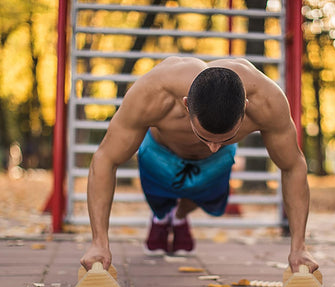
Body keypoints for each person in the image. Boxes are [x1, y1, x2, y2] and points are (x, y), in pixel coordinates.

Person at [80, 57, 318, 274]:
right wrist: (98, 243)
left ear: (245, 106)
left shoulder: (267, 100)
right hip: (161, 154)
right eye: (205, 137)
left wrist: (299, 248)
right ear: (186, 104)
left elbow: (293, 166)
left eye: (224, 138)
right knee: (160, 197)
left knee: (210, 193)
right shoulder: (154, 91)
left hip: (213, 166)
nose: (213, 146)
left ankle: (179, 214)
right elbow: (105, 158)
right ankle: (162, 216)